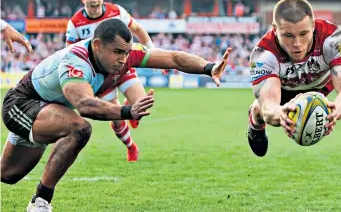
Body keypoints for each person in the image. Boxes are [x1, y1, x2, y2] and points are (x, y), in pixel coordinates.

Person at [1, 18, 231, 212]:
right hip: (21, 105)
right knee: (79, 128)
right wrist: (127, 111)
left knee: (8, 175)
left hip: (51, 114)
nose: (123, 60)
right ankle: (41, 202)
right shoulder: (75, 60)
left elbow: (173, 58)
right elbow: (84, 104)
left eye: (126, 53)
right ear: (98, 45)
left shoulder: (124, 55)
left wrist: (208, 67)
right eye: (118, 52)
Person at [247, 0, 341, 157]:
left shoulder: (335, 40)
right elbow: (269, 104)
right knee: (258, 109)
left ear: (313, 26)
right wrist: (280, 114)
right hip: (283, 90)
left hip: (320, 88)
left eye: (303, 33)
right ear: (274, 29)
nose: (297, 43)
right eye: (288, 35)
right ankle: (255, 126)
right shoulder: (263, 55)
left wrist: (334, 112)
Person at [66, 0, 154, 161]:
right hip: (100, 76)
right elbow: (70, 53)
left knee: (141, 104)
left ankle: (131, 111)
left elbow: (137, 29)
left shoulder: (116, 12)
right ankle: (131, 146)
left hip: (123, 66)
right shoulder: (75, 23)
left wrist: (152, 52)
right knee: (116, 115)